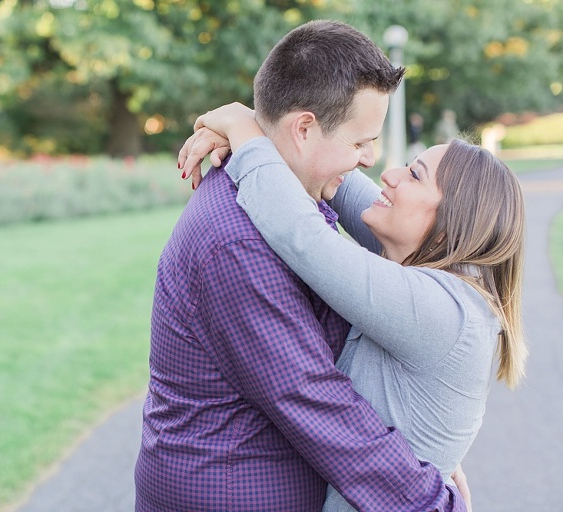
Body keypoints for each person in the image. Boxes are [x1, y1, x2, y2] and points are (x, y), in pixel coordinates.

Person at [135, 20, 469, 511]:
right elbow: (314, 401)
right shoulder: (237, 240)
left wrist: (246, 127)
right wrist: (430, 501)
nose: (369, 159)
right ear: (305, 128)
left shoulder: (286, 198)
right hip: (229, 494)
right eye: (360, 143)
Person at [178, 103, 527, 511]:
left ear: (449, 224)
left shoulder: (441, 309)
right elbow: (325, 168)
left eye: (414, 175)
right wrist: (265, 125)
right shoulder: (430, 263)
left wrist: (239, 124)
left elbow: (300, 234)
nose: (389, 175)